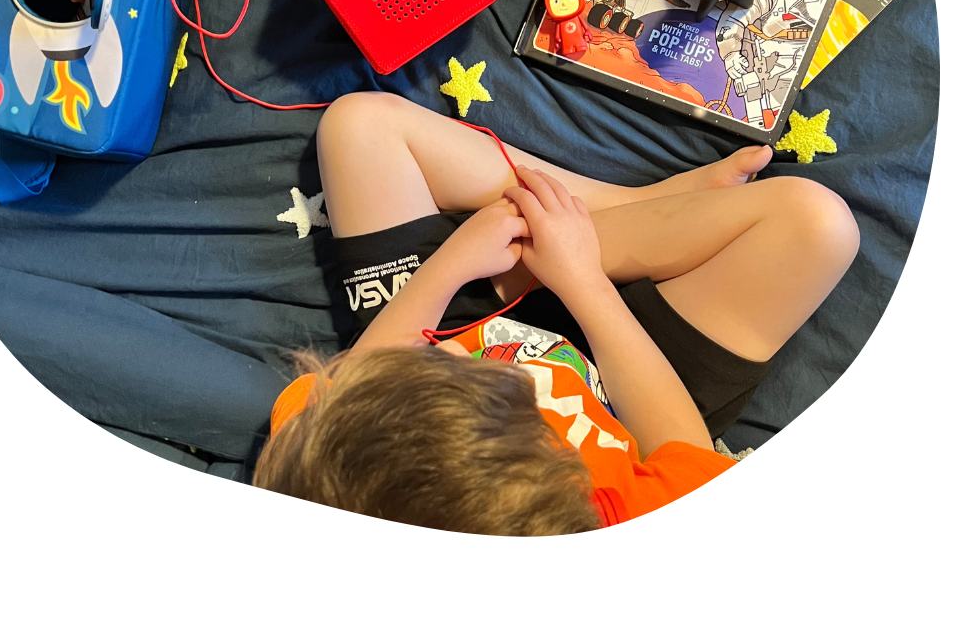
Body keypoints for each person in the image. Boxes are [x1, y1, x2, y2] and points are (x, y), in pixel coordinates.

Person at [252, 92, 859, 532]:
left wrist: (452, 265)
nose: (504, 371)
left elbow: (359, 376)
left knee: (359, 125)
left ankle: (629, 205)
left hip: (452, 319)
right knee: (817, 225)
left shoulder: (321, 463)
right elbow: (682, 450)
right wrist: (582, 281)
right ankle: (595, 230)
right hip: (630, 394)